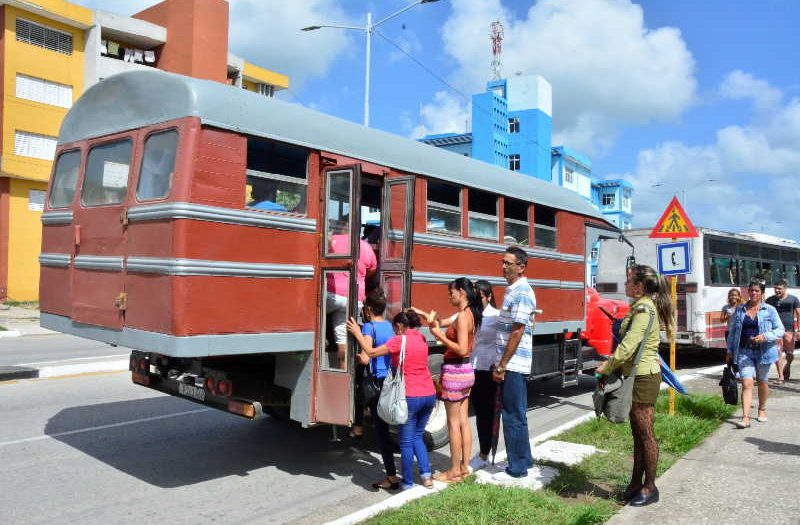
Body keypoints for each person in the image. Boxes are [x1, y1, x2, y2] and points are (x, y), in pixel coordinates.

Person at [596, 264, 674, 507]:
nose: (626, 284)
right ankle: (635, 483)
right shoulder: (640, 307)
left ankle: (650, 487)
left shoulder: (644, 311)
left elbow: (628, 346)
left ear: (639, 286)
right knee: (638, 435)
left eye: (629, 281)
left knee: (646, 434)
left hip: (643, 378)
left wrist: (606, 367)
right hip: (637, 375)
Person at [350, 309, 436, 490]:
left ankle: (407, 483)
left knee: (405, 442)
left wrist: (358, 333)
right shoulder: (421, 338)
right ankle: (427, 477)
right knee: (417, 437)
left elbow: (371, 353)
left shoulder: (399, 340)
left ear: (399, 326)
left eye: (395, 329)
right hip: (429, 393)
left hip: (410, 396)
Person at [421, 277, 481, 483]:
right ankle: (464, 467)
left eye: (451, 292)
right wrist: (430, 320)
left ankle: (454, 470)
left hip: (455, 370)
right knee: (463, 421)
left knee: (453, 423)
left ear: (461, 292)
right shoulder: (470, 314)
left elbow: (463, 348)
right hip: (465, 370)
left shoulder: (463, 317)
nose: (450, 296)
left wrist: (440, 336)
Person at [491, 246, 537, 482]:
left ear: (521, 267)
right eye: (502, 262)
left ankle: (517, 467)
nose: (503, 267)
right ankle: (524, 458)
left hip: (513, 364)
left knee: (512, 415)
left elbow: (517, 331)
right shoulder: (513, 290)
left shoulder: (522, 292)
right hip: (511, 363)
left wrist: (502, 365)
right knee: (517, 413)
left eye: (508, 263)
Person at [345, 289, 398, 489]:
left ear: (368, 309)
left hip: (376, 383)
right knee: (386, 429)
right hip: (388, 381)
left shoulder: (368, 327)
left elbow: (366, 357)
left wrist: (358, 336)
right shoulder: (389, 326)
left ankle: (391, 476)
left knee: (382, 433)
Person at [727, 279, 784, 429]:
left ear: (762, 293)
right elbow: (733, 332)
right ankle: (745, 418)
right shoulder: (740, 309)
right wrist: (729, 350)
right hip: (744, 351)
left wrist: (765, 336)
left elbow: (780, 330)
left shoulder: (770, 310)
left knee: (762, 381)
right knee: (747, 383)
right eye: (751, 290)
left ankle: (762, 409)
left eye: (757, 291)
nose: (753, 293)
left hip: (764, 351)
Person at [326, 220, 378, 368]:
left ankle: (318, 335)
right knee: (342, 340)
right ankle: (343, 371)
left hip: (331, 294)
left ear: (343, 227)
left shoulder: (333, 240)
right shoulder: (366, 247)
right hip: (354, 299)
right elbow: (372, 271)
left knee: (311, 309)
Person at [468, 279, 500, 470]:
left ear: (488, 296)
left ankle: (484, 453)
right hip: (472, 367)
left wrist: (498, 366)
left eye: (479, 297)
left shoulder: (496, 316)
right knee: (479, 412)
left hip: (488, 369)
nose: (477, 300)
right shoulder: (470, 315)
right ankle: (482, 452)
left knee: (486, 413)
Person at [765, 279, 799, 383]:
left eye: (779, 288)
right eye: (775, 288)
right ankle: (781, 376)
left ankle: (787, 365)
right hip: (775, 331)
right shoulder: (770, 300)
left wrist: (799, 330)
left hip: (789, 330)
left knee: (789, 354)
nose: (777, 290)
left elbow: (799, 314)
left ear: (785, 288)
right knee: (777, 352)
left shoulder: (793, 299)